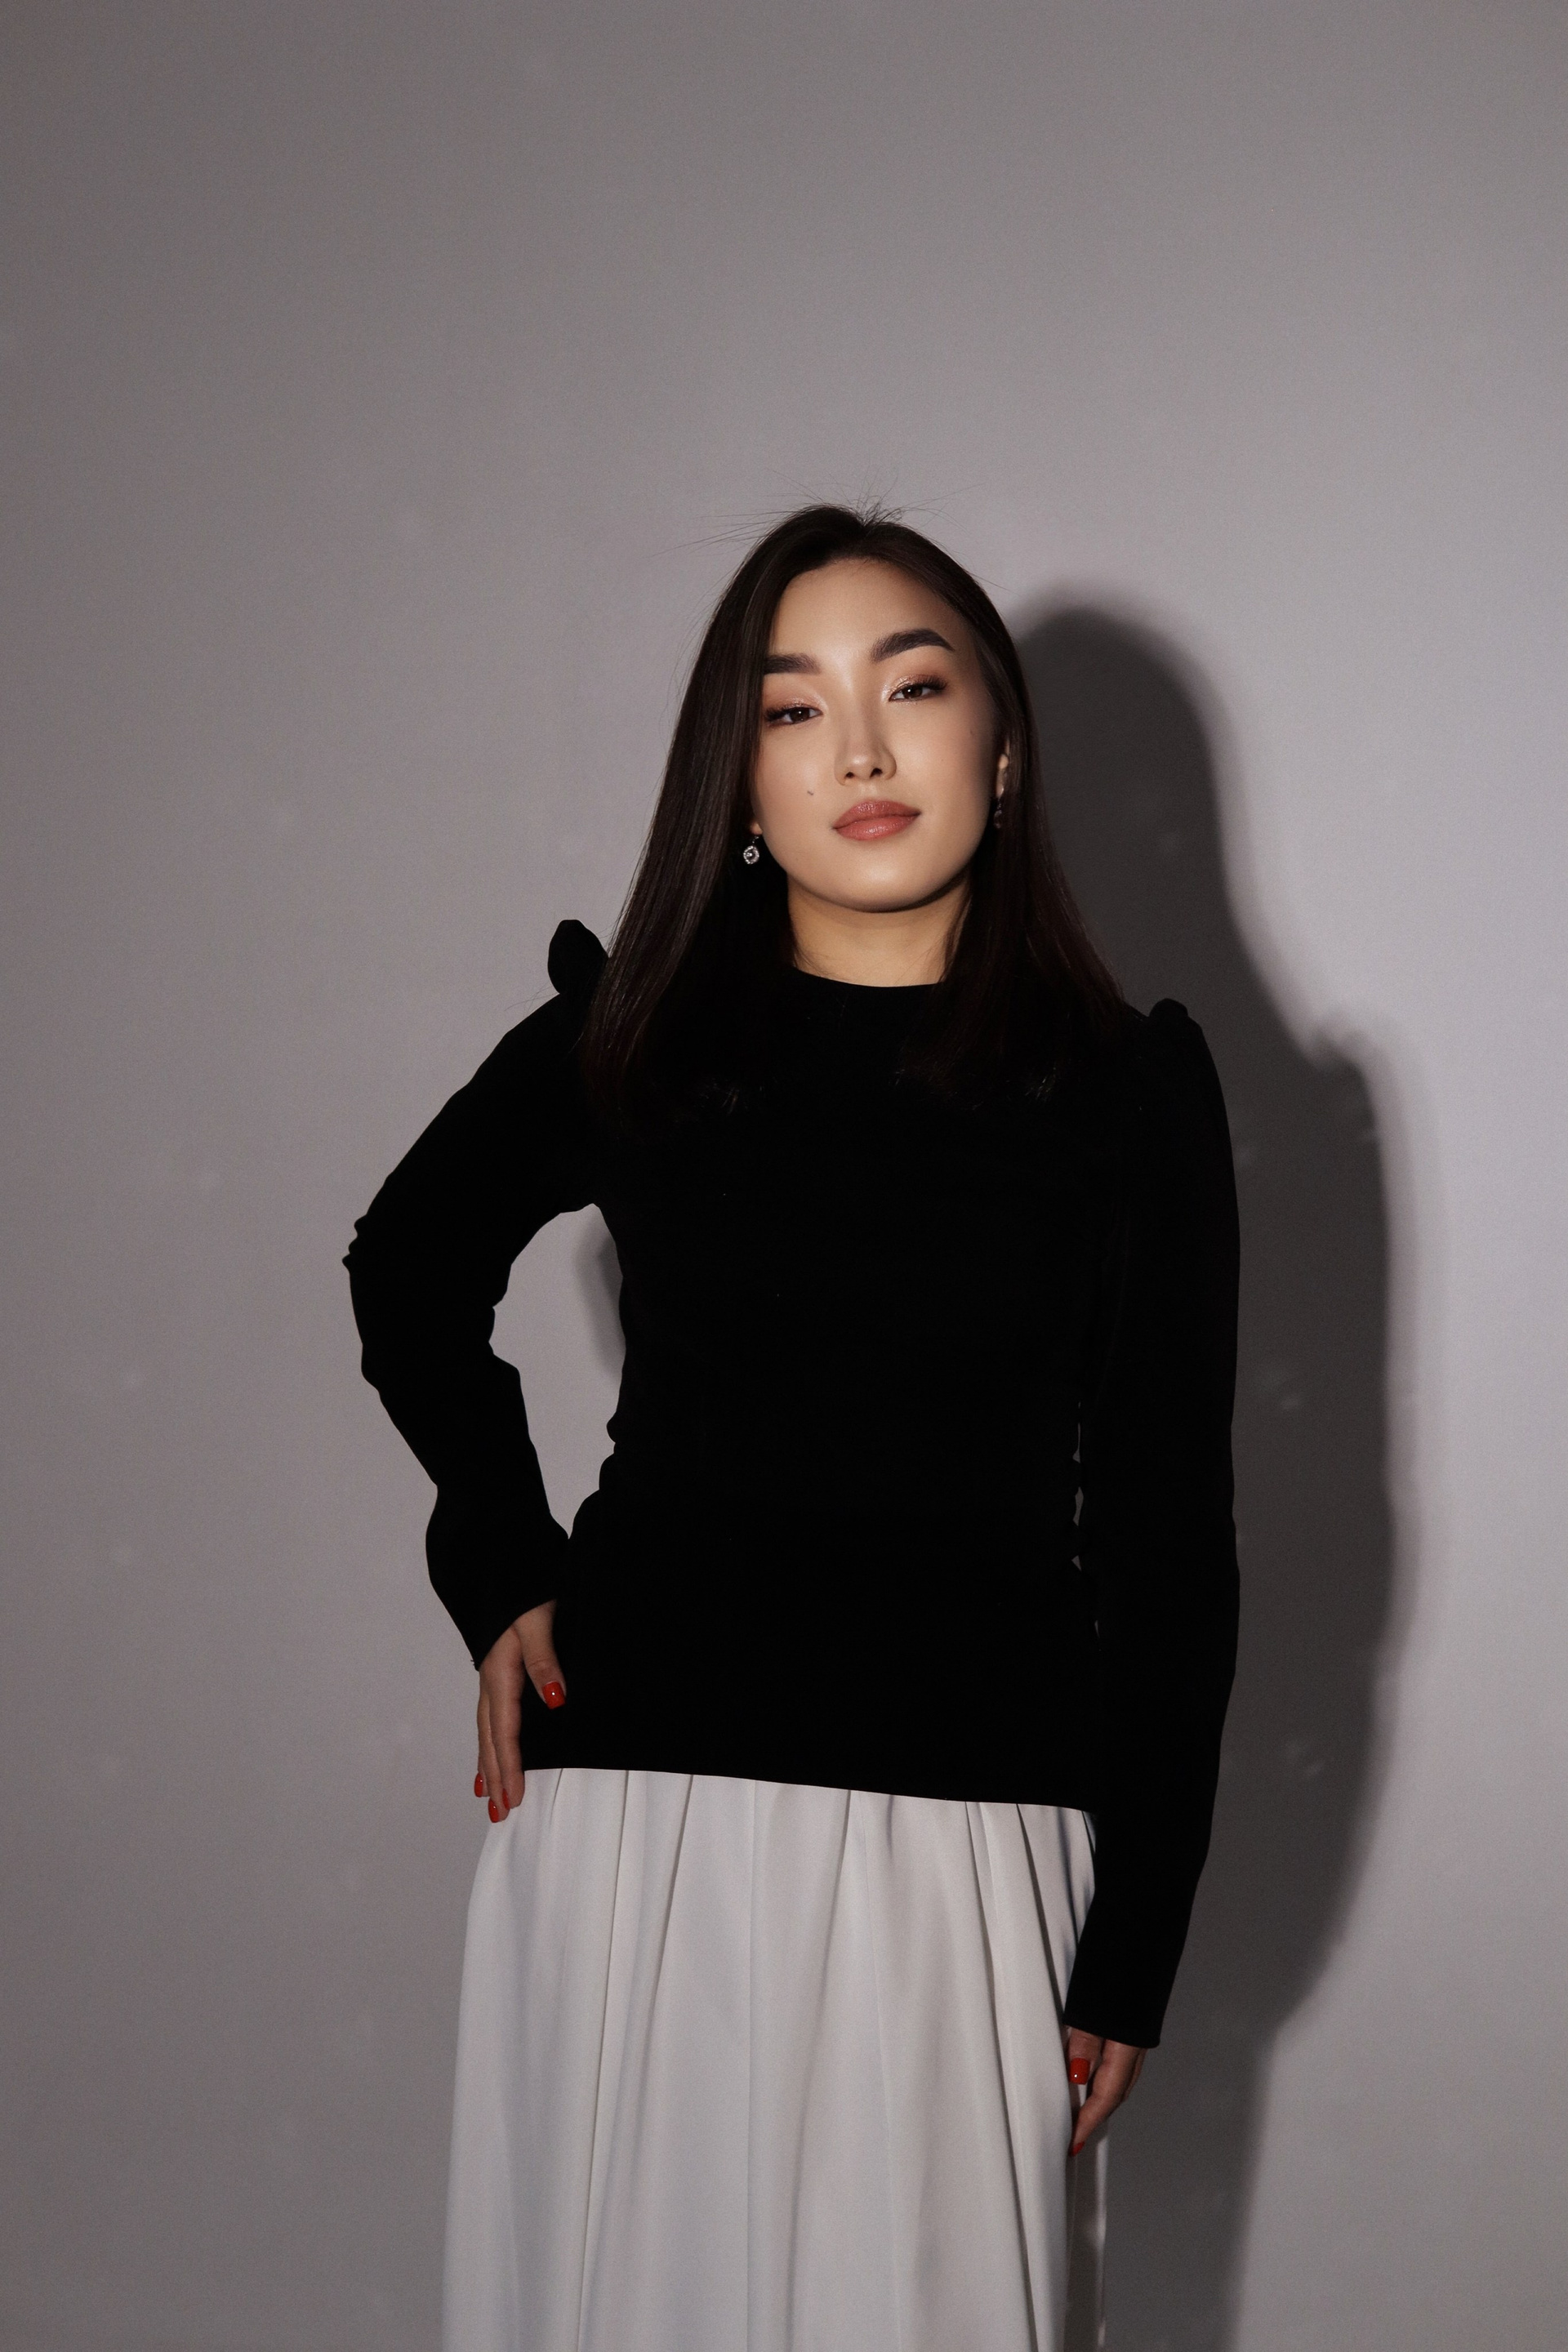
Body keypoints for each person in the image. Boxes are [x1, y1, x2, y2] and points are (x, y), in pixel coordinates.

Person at [345, 506, 1240, 2352]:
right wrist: (498, 1559)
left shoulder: (1127, 1095)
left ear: (1002, 744)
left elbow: (1168, 1547)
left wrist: (1136, 1939)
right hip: (639, 1831)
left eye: (912, 687)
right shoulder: (630, 1042)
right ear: (739, 782)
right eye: (792, 707)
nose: (858, 749)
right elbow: (407, 1268)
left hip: (970, 1854)